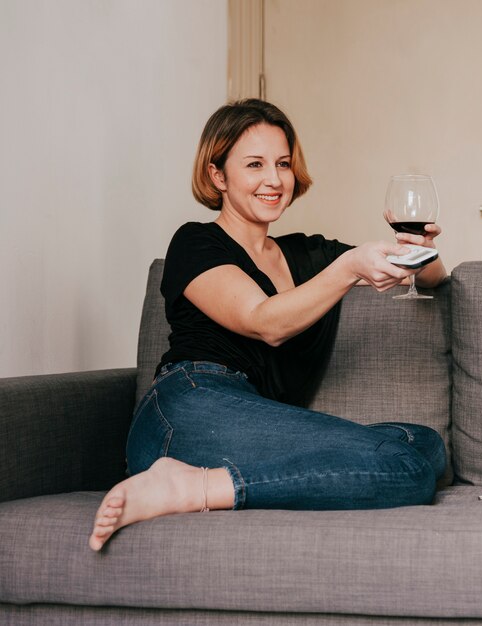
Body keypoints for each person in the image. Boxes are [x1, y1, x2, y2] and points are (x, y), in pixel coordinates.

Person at [89, 98, 448, 552]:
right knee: (409, 470)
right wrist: (348, 269)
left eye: (282, 164)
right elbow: (264, 321)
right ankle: (182, 486)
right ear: (218, 175)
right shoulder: (196, 242)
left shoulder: (307, 253)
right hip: (189, 408)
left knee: (425, 446)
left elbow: (431, 276)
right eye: (255, 164)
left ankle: (205, 482)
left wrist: (422, 251)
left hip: (253, 421)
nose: (274, 180)